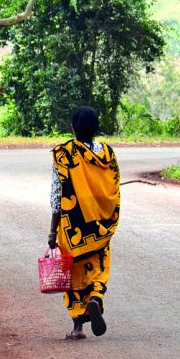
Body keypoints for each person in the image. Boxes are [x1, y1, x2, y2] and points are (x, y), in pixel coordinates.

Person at [48, 107, 120, 340]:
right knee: (98, 269)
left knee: (73, 275)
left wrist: (52, 230)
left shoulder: (64, 154)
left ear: (73, 128)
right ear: (96, 128)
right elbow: (114, 186)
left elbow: (57, 195)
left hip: (73, 226)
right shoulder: (107, 153)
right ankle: (96, 299)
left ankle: (78, 327)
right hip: (100, 223)